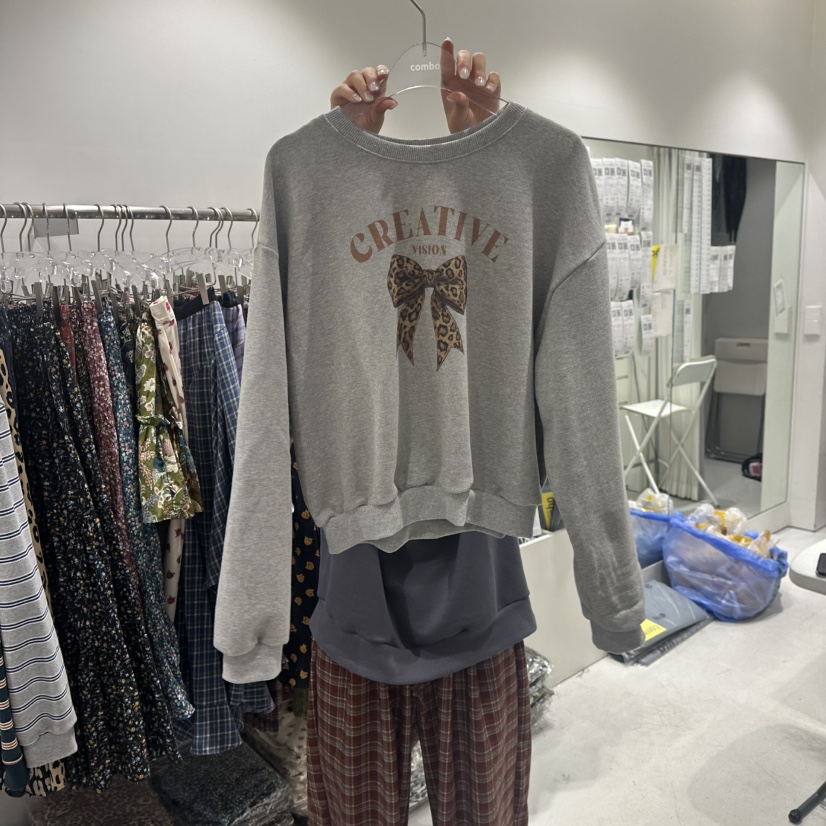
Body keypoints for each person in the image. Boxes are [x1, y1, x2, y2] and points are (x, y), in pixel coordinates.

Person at [306, 40, 535, 826]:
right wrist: (340, 168)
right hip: (356, 608)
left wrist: (485, 164)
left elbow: (543, 349)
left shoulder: (508, 214)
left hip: (481, 596)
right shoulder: (319, 210)